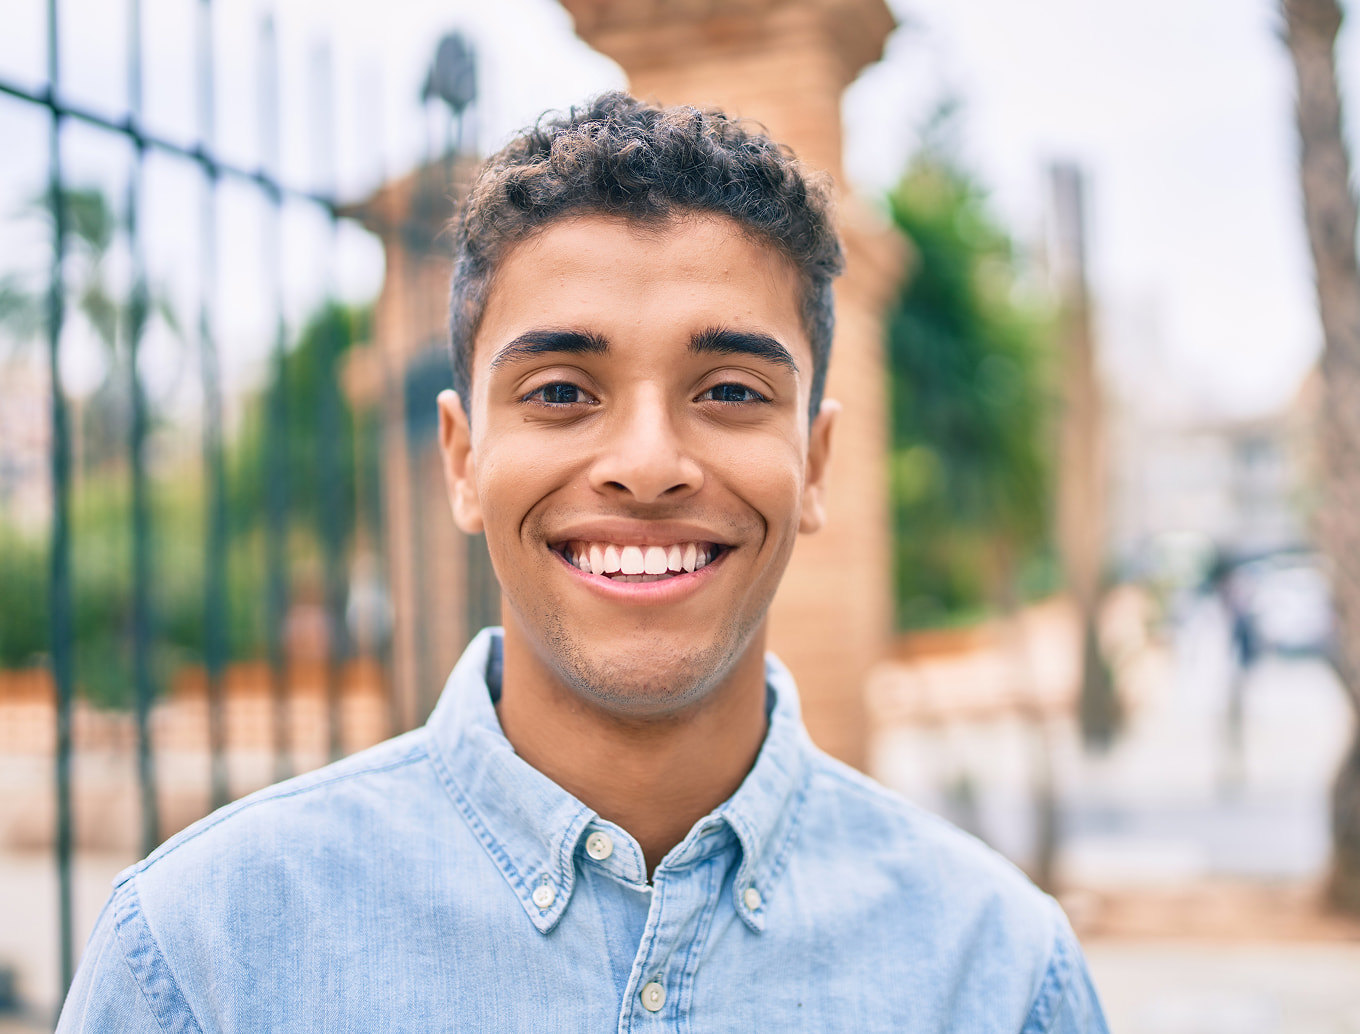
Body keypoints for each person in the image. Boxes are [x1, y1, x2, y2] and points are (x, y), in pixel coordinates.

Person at [58, 92, 1109, 1033]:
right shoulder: (202, 954)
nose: (647, 465)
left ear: (815, 461)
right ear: (463, 461)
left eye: (730, 389)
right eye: (560, 389)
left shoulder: (997, 970)